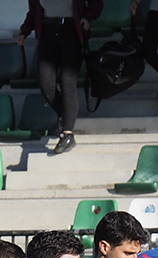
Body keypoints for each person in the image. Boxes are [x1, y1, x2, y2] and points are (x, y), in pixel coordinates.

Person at [19, 1, 104, 155]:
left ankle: (67, 133)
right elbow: (34, 11)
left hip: (72, 31)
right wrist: (24, 31)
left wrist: (87, 17)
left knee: (67, 81)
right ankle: (65, 114)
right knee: (46, 85)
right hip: (48, 32)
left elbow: (96, 3)